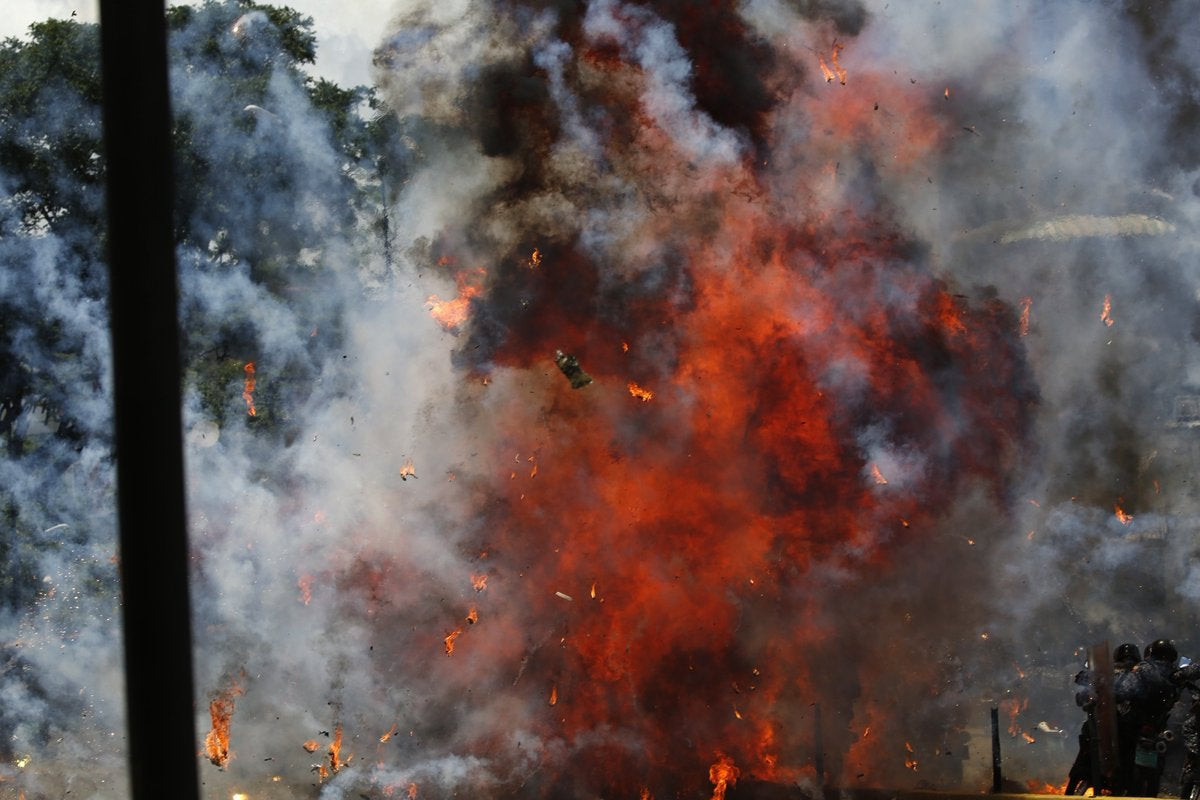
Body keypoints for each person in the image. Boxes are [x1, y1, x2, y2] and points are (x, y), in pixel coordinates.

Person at [1066, 643, 1141, 795]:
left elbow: (1082, 689)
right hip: (1110, 730)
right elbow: (1083, 691)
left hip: (1112, 730)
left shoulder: (1109, 674)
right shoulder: (1134, 675)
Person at [1116, 639, 1183, 797]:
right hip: (1159, 724)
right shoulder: (1175, 673)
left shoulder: (1142, 669)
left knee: (1120, 745)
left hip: (1136, 722)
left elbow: (1124, 690)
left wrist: (1115, 694)